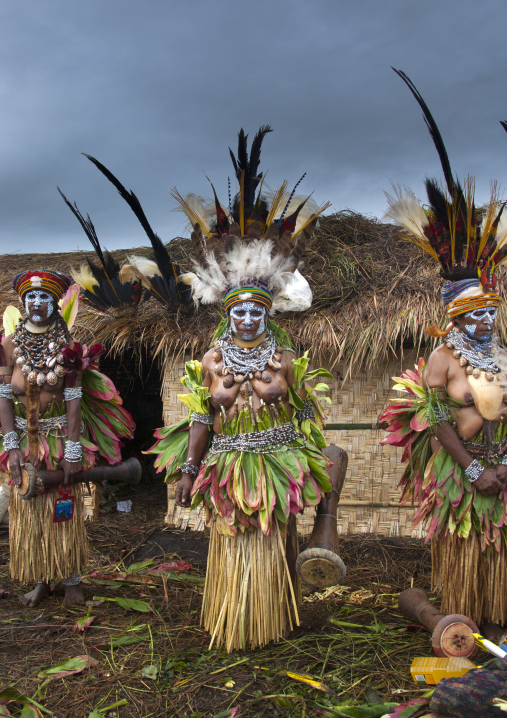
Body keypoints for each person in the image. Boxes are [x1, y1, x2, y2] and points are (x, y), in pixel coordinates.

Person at [147, 127, 343, 651]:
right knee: (232, 538)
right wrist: (189, 469)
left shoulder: (284, 358)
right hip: (227, 465)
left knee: (274, 535)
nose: (251, 316)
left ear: (268, 312)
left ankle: (276, 617)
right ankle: (234, 619)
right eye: (241, 309)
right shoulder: (211, 359)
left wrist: (304, 454)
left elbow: (305, 411)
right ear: (228, 311)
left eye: (259, 308)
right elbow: (202, 419)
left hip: (275, 460)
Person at [381, 70, 507, 626]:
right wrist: (473, 467)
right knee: (467, 549)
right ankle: (461, 619)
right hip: (467, 468)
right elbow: (433, 416)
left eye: (489, 313)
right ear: (455, 319)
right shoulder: (444, 359)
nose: (482, 322)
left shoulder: (503, 352)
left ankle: (498, 613)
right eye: (472, 314)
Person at [0, 269, 134, 606]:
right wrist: (11, 445)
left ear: (55, 303)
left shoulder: (69, 346)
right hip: (24, 443)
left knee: (63, 507)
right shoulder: (8, 343)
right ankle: (44, 579)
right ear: (23, 301)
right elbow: (3, 396)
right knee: (31, 511)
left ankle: (72, 580)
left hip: (59, 437)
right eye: (30, 296)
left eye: (44, 296)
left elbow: (74, 402)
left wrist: (74, 449)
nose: (36, 302)